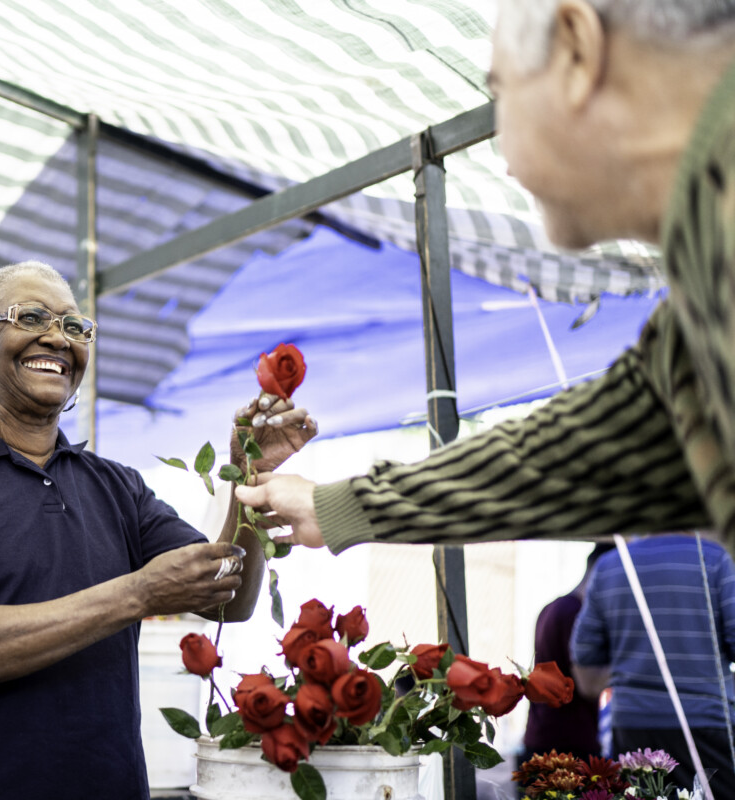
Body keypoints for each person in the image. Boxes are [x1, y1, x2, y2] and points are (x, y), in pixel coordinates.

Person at [235, 3, 735, 560]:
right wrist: (337, 506)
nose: (504, 161)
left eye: (503, 98)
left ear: (576, 48)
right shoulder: (702, 279)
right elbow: (569, 456)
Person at [0, 261, 316, 800]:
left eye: (75, 327)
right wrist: (139, 591)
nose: (57, 338)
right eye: (30, 316)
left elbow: (230, 599)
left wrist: (250, 478)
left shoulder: (115, 486)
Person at [570, 534, 735, 795]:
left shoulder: (611, 564)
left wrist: (635, 668)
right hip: (708, 721)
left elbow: (585, 654)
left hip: (633, 726)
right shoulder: (716, 558)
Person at [519, 543, 613, 775]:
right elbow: (587, 685)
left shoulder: (553, 607)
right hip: (566, 743)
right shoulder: (575, 614)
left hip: (545, 736)